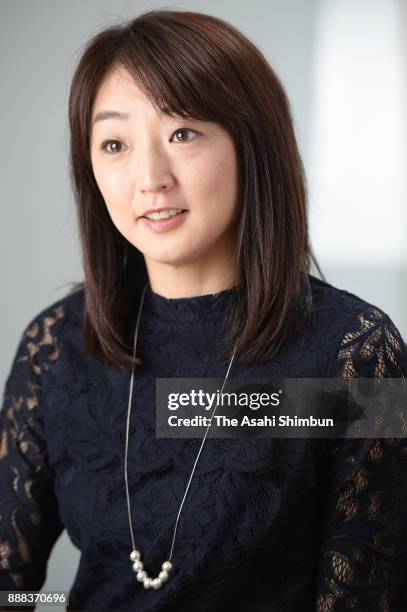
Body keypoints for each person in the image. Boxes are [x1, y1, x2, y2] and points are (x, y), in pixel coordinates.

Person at [1, 9, 406, 612]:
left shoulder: (355, 355)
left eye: (182, 133)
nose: (149, 177)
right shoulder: (57, 345)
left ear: (251, 143)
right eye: (115, 143)